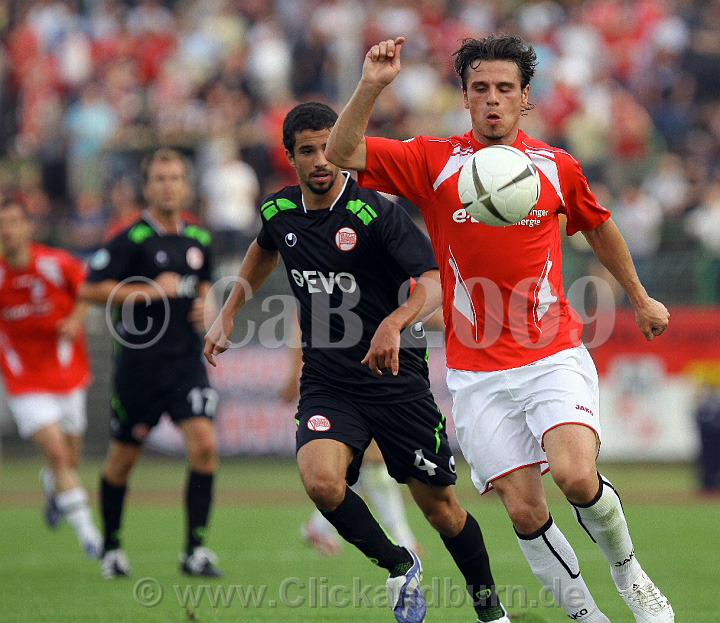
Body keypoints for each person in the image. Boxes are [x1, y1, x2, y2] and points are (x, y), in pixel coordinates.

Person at [325, 34, 673, 623]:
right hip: (476, 370)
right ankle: (587, 618)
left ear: (525, 98)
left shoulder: (555, 166)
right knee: (522, 510)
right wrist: (372, 84)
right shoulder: (434, 161)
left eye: (504, 89)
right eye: (480, 88)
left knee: (574, 474)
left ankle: (629, 572)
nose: (492, 99)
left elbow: (601, 226)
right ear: (464, 96)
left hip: (552, 350)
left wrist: (639, 297)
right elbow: (341, 151)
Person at [204, 102, 509, 623]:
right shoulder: (279, 212)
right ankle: (399, 565)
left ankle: (491, 611)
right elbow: (264, 250)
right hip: (329, 380)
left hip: (395, 379)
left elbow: (434, 282)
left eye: (328, 147)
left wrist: (395, 321)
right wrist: (229, 310)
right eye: (307, 151)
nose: (320, 159)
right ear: (291, 158)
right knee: (322, 481)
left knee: (442, 511)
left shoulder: (377, 212)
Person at [79, 148, 220, 579]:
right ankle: (113, 547)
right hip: (139, 366)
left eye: (175, 177)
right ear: (147, 187)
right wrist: (143, 291)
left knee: (205, 446)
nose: (168, 185)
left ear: (186, 184)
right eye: (160, 178)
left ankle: (194, 551)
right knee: (123, 458)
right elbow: (90, 289)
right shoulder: (130, 239)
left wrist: (207, 308)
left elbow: (206, 286)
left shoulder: (199, 239)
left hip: (185, 362)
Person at [0, 198, 101, 558]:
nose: (7, 229)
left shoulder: (54, 263)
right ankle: (92, 538)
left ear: (28, 226)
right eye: (2, 223)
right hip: (24, 380)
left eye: (13, 221)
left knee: (68, 460)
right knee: (58, 454)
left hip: (67, 373)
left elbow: (90, 286)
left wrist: (74, 318)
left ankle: (51, 486)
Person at [278, 326, 421, 556]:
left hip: (373, 365)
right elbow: (300, 324)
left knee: (368, 457)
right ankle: (402, 538)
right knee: (373, 454)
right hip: (341, 375)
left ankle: (319, 526)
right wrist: (292, 373)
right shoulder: (322, 291)